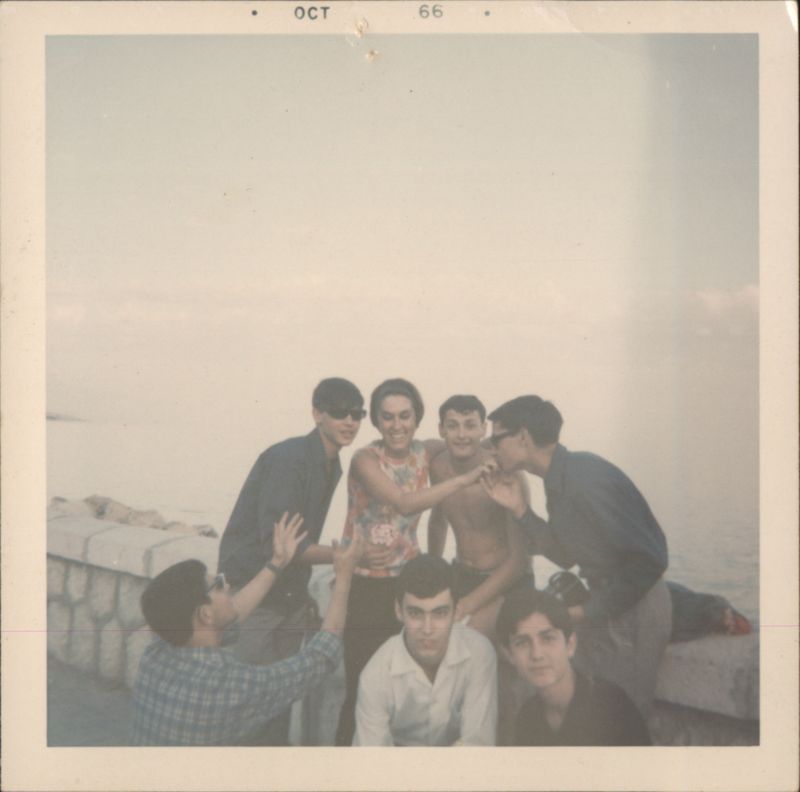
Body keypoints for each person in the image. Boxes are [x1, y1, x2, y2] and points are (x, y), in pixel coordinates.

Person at [482, 395, 671, 716]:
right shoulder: (562, 478)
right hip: (611, 603)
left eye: (496, 438)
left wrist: (586, 612)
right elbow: (567, 555)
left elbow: (650, 560)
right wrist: (520, 509)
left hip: (632, 609)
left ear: (523, 438)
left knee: (624, 719)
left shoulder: (585, 479)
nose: (491, 447)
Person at [334, 378, 493, 746]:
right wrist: (466, 479)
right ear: (375, 421)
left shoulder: (426, 451)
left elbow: (467, 440)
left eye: (405, 416)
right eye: (387, 417)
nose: (397, 425)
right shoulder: (365, 460)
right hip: (365, 585)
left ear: (418, 418)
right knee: (362, 685)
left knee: (408, 686)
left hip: (407, 584)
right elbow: (403, 503)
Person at [217, 377, 364, 743]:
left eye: (356, 413)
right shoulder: (290, 459)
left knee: (279, 701)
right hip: (258, 594)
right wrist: (343, 555)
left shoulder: (330, 462)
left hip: (289, 595)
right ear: (317, 413)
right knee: (248, 704)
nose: (349, 421)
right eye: (338, 412)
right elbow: (281, 547)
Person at [131, 514, 363, 745]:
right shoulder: (231, 686)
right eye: (219, 584)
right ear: (205, 614)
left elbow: (231, 614)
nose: (228, 585)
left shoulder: (155, 655)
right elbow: (319, 658)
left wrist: (276, 563)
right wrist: (343, 577)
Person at [353, 554, 497, 746]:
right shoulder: (375, 675)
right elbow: (373, 761)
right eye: (415, 613)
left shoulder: (479, 653)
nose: (427, 629)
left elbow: (478, 744)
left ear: (456, 611)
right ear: (398, 611)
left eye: (439, 613)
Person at [428, 394, 532, 638]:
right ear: (441, 429)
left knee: (472, 637)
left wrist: (466, 606)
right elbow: (438, 520)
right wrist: (433, 570)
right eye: (453, 426)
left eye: (470, 425)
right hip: (462, 574)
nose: (462, 435)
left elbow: (519, 561)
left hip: (507, 581)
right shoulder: (438, 468)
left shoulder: (507, 476)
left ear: (483, 429)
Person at [496, 588, 651, 746]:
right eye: (522, 643)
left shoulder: (611, 707)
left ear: (570, 645)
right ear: (509, 655)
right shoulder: (527, 718)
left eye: (548, 639)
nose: (536, 655)